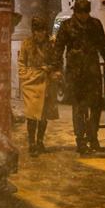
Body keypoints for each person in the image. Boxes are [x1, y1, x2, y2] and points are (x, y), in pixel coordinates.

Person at [53, 0, 105, 154]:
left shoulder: (95, 24)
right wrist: (57, 68)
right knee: (79, 108)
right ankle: (80, 140)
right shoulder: (66, 26)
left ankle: (93, 136)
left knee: (95, 105)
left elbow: (103, 44)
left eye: (86, 13)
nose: (84, 16)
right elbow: (58, 48)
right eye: (81, 13)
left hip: (92, 70)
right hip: (75, 72)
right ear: (75, 12)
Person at [17, 16, 60, 156]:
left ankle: (40, 141)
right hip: (32, 83)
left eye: (42, 30)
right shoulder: (27, 44)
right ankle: (32, 143)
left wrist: (51, 70)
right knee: (32, 114)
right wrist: (26, 76)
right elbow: (22, 62)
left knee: (43, 115)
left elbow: (57, 61)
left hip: (47, 82)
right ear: (33, 31)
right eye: (37, 31)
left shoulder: (51, 44)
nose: (40, 33)